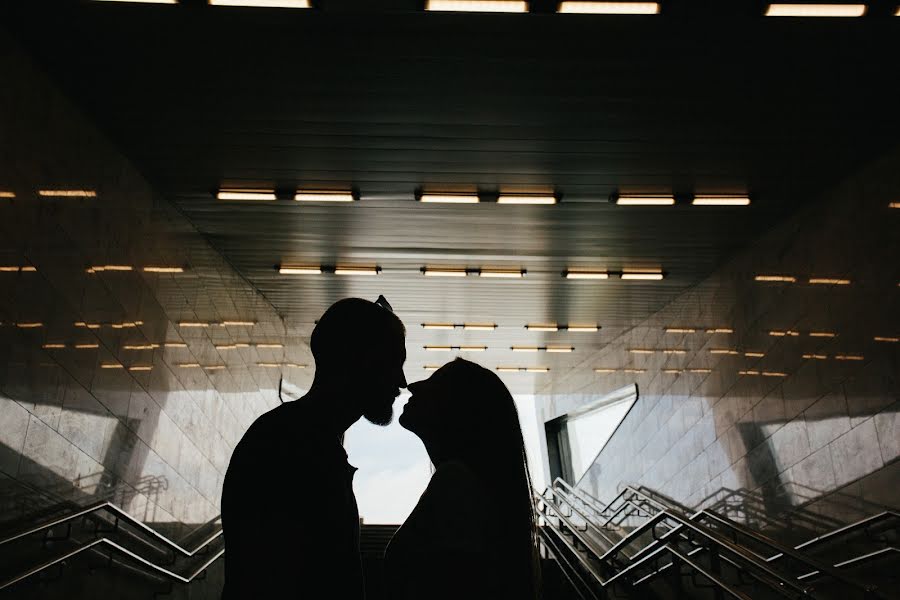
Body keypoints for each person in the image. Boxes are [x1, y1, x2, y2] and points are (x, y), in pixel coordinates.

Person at [221, 297, 407, 599]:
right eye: (393, 363)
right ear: (358, 359)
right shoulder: (293, 446)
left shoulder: (286, 437)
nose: (401, 381)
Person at [384, 358, 540, 600]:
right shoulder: (465, 484)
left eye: (436, 383)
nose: (413, 385)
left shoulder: (455, 483)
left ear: (459, 408)